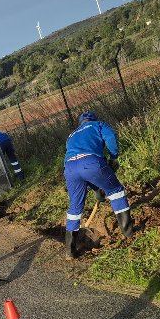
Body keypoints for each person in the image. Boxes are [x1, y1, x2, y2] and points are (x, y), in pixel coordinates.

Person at [63, 111, 134, 259]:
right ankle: (128, 233)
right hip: (91, 162)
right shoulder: (98, 124)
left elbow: (80, 171)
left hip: (69, 168)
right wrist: (114, 157)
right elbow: (111, 137)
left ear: (80, 123)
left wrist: (97, 188)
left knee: (75, 208)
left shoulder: (72, 135)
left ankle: (70, 251)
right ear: (92, 119)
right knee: (116, 192)